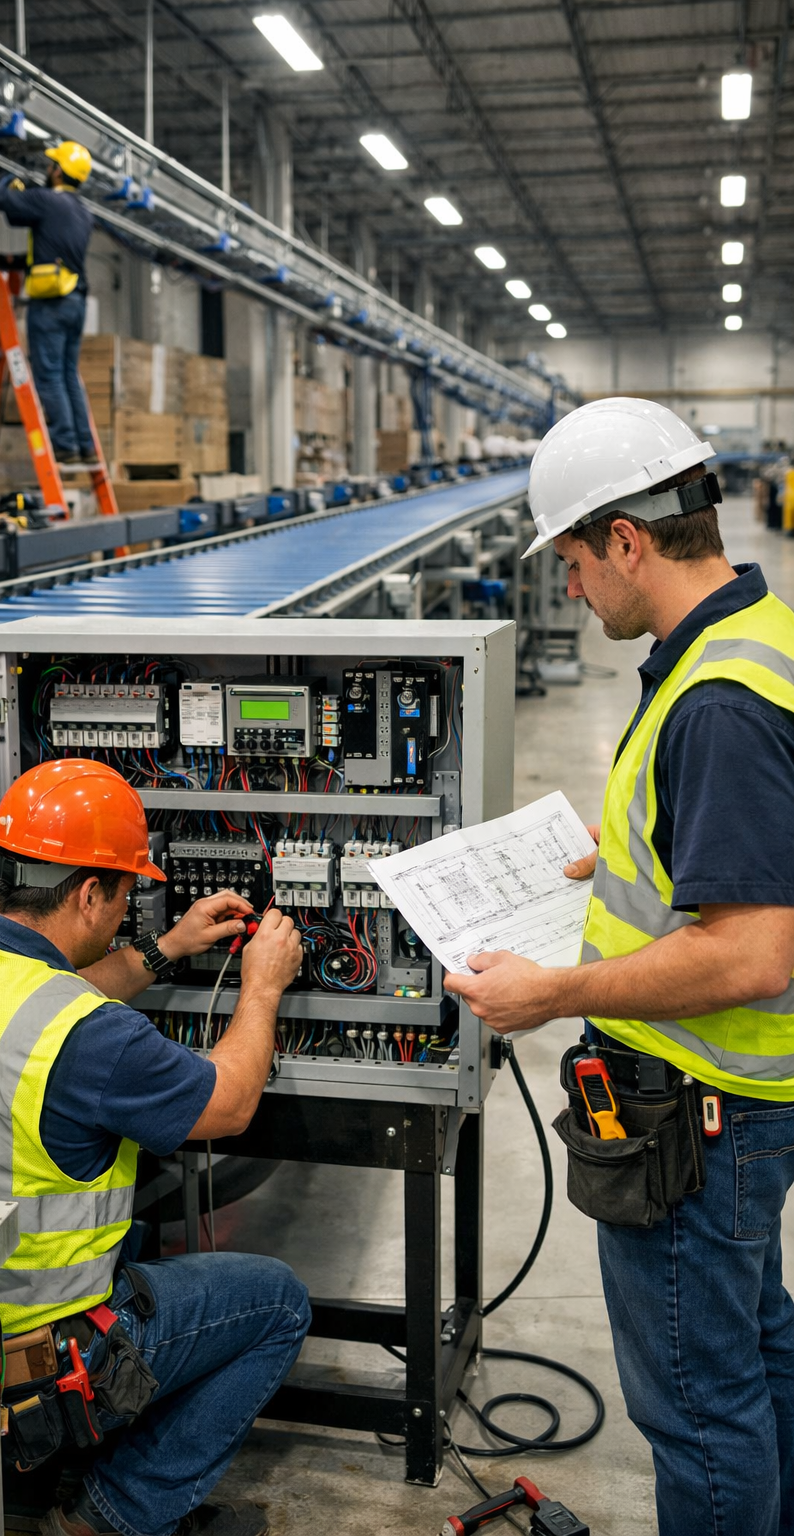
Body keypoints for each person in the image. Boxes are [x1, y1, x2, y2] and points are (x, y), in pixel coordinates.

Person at [444, 397, 794, 1536]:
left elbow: (749, 950)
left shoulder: (718, 702)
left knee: (699, 1408)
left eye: (576, 562)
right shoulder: (755, 638)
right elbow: (750, 853)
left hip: (699, 1122)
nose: (573, 589)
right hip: (740, 1113)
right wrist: (638, 856)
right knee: (759, 1355)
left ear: (628, 541)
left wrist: (553, 995)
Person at [0, 759, 310, 1536]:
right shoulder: (89, 1039)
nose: (127, 908)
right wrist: (263, 985)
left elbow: (43, 1007)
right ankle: (110, 1514)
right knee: (277, 1302)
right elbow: (231, 1103)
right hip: (42, 1364)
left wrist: (164, 948)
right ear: (89, 894)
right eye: (126, 894)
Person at [0, 141, 98, 466]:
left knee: (49, 375)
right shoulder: (83, 212)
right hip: (76, 300)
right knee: (68, 373)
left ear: (59, 171)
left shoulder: (48, 201)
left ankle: (65, 444)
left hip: (51, 304)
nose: (47, 169)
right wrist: (5, 261)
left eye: (52, 165)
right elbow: (42, 255)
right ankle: (85, 445)